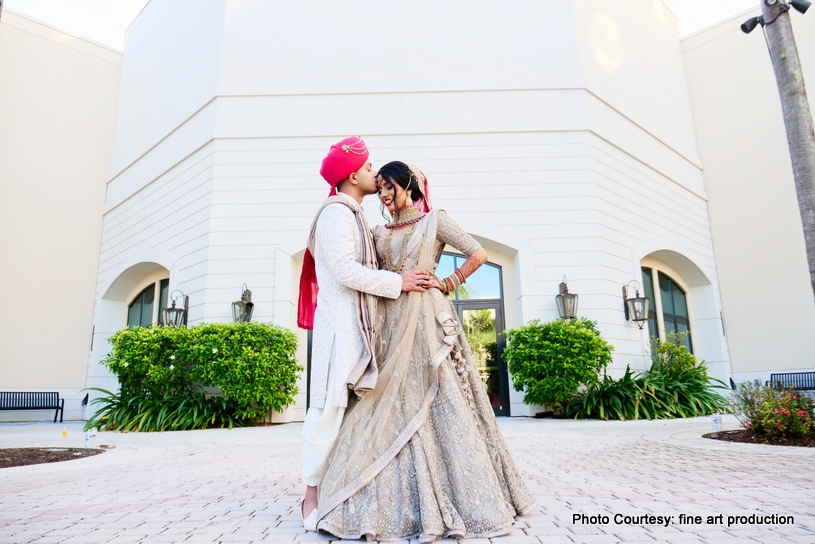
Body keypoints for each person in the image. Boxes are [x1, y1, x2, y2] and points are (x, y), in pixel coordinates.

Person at [311, 161, 536, 541]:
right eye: (379, 187)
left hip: (427, 320)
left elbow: (477, 253)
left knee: (437, 394)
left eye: (390, 187)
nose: (383, 195)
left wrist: (447, 282)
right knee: (383, 400)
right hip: (389, 324)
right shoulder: (377, 230)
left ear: (410, 186)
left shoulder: (435, 221)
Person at [298, 141, 434, 529]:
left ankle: (341, 494)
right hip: (340, 331)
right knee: (328, 411)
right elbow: (343, 270)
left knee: (349, 417)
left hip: (356, 329)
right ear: (353, 176)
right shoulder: (337, 215)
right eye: (369, 166)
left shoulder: (355, 214)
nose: (376, 173)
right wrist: (399, 281)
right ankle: (311, 494)